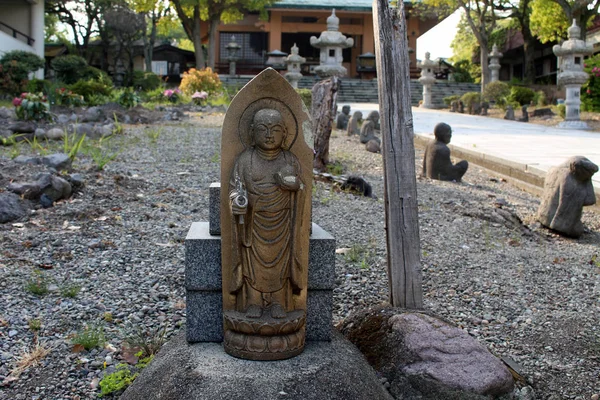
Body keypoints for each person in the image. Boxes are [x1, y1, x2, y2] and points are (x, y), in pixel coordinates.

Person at [228, 108, 304, 319]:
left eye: (275, 129)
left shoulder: (289, 160)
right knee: (251, 263)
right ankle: (253, 301)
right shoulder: (245, 160)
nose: (269, 135)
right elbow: (235, 188)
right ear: (252, 133)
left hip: (283, 224)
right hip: (253, 222)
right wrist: (236, 201)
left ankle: (279, 302)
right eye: (263, 129)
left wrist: (294, 186)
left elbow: (301, 188)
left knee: (281, 264)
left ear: (285, 133)